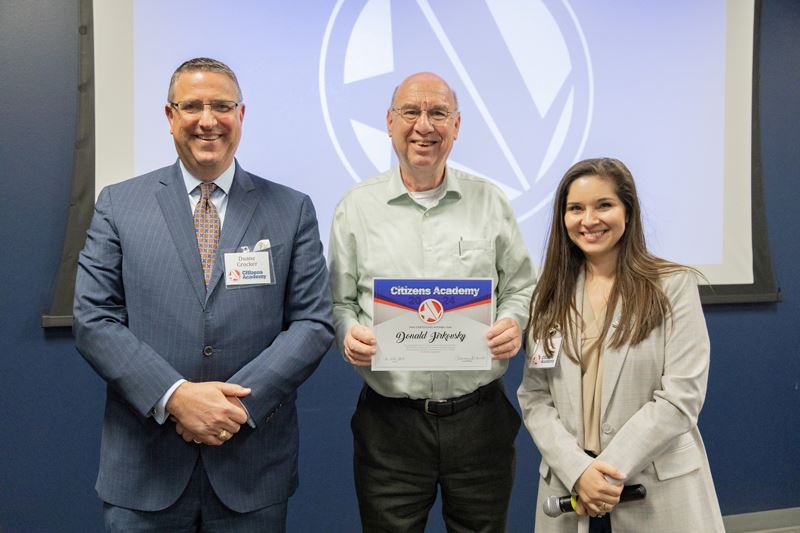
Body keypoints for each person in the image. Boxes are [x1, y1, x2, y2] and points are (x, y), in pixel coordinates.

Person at [74, 57, 334, 532]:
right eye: (192, 106)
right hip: (145, 470)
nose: (207, 120)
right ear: (170, 116)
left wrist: (234, 407)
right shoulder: (119, 204)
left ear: (241, 114)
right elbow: (94, 319)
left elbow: (313, 322)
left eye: (221, 106)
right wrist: (175, 396)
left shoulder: (292, 209)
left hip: (251, 470)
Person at [328, 72, 536, 532]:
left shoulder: (491, 202)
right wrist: (349, 333)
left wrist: (513, 321)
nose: (424, 125)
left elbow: (520, 287)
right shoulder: (355, 208)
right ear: (389, 122)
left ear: (456, 125)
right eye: (411, 112)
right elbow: (340, 303)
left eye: (438, 113)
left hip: (479, 419)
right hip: (390, 425)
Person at [517, 158, 724, 532]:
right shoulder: (547, 294)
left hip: (653, 491)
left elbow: (682, 397)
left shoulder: (673, 286)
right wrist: (579, 471)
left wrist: (604, 473)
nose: (589, 220)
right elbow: (535, 396)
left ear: (628, 211)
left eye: (604, 205)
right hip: (571, 491)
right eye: (575, 208)